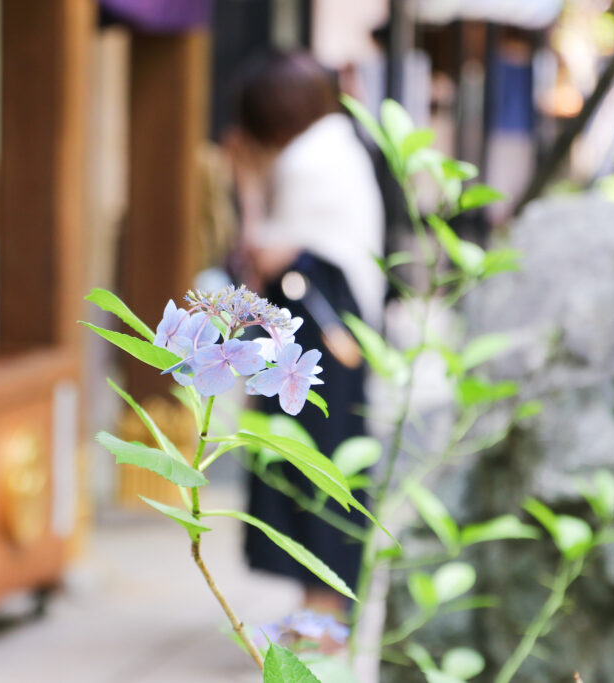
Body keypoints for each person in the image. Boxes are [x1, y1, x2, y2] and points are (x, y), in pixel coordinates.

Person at [225, 50, 385, 617]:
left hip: (315, 332)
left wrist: (246, 181)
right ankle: (321, 609)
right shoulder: (336, 144)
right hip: (331, 327)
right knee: (322, 459)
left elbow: (261, 254)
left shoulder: (306, 161)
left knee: (311, 461)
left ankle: (323, 615)